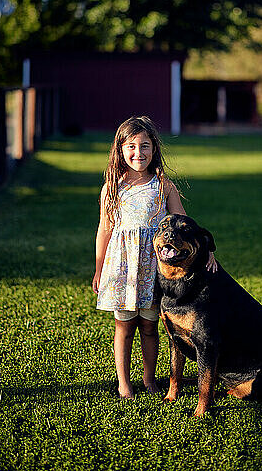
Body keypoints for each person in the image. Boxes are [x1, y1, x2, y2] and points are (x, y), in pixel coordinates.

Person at [92, 115, 216, 399]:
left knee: (149, 325)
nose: (139, 153)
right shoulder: (113, 187)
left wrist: (207, 249)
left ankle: (149, 380)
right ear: (120, 150)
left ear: (154, 149)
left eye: (145, 146)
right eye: (131, 146)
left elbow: (183, 224)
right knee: (124, 326)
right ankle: (124, 383)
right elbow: (104, 230)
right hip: (122, 269)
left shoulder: (163, 186)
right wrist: (99, 270)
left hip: (154, 269)